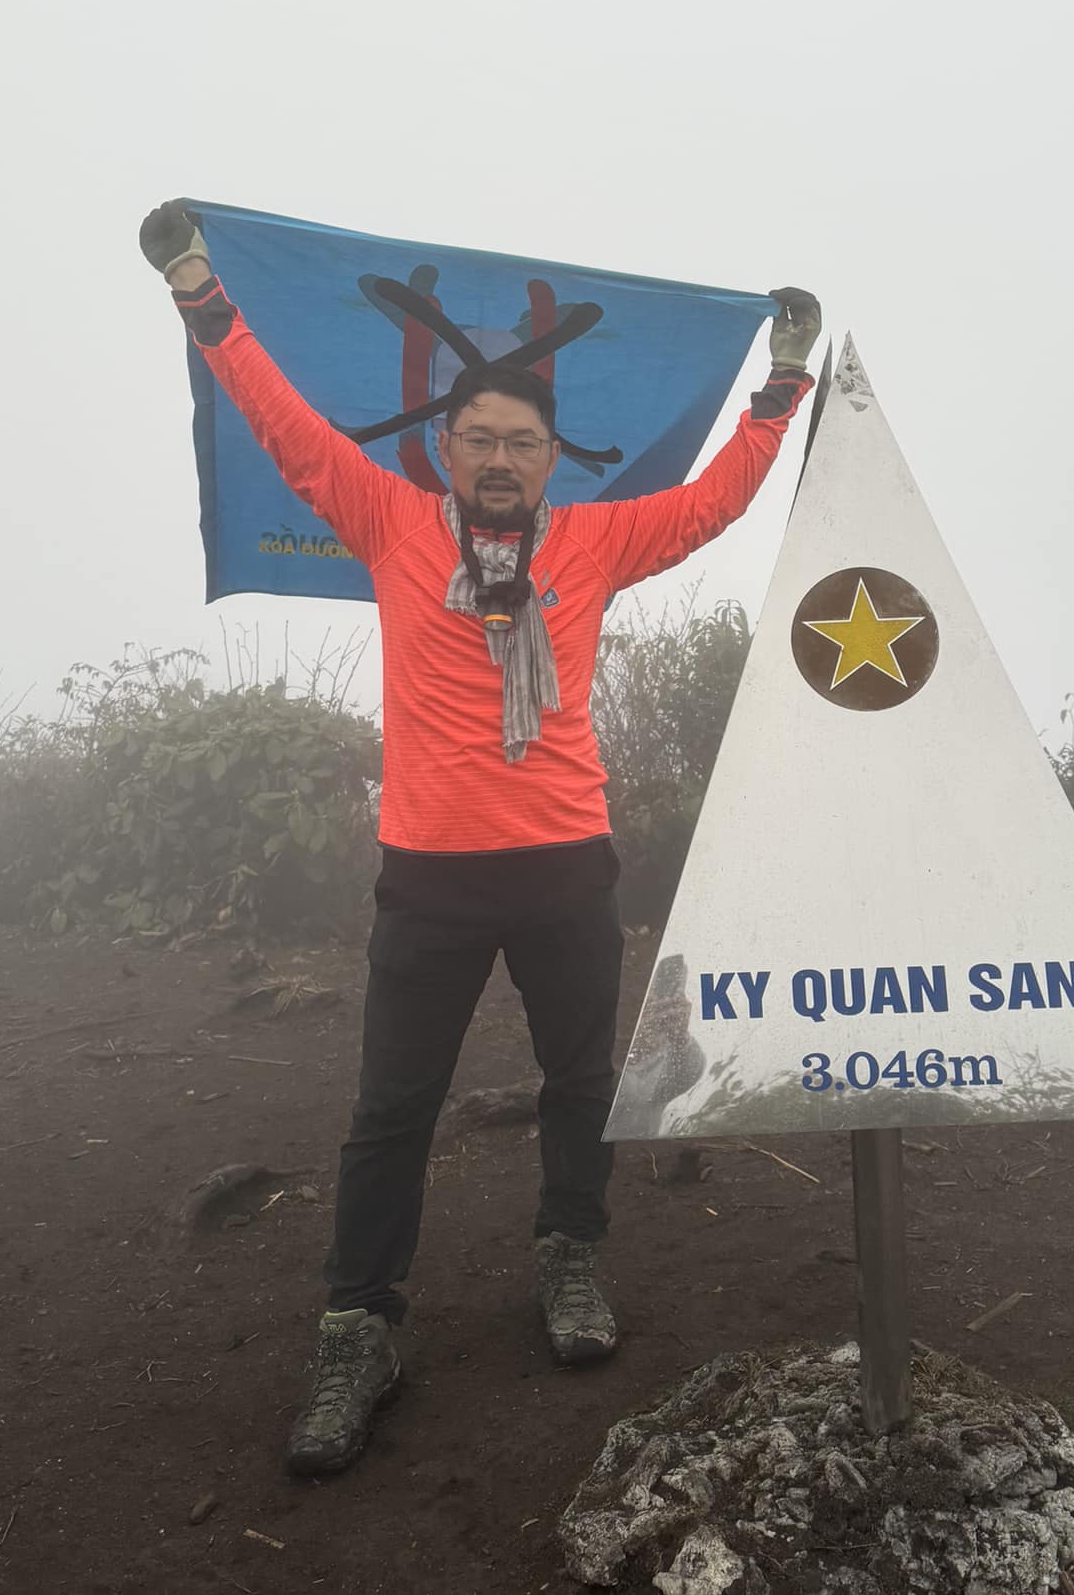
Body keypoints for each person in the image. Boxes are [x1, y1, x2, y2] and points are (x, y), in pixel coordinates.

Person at [138, 202, 821, 1476]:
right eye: (481, 438)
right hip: (429, 881)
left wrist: (779, 388)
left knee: (578, 1085)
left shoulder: (598, 541)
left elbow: (718, 500)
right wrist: (201, 297)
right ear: (446, 451)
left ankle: (569, 1259)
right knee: (391, 1109)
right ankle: (358, 1324)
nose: (501, 457)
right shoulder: (389, 519)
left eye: (522, 441)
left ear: (552, 459)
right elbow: (286, 427)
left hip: (568, 868)